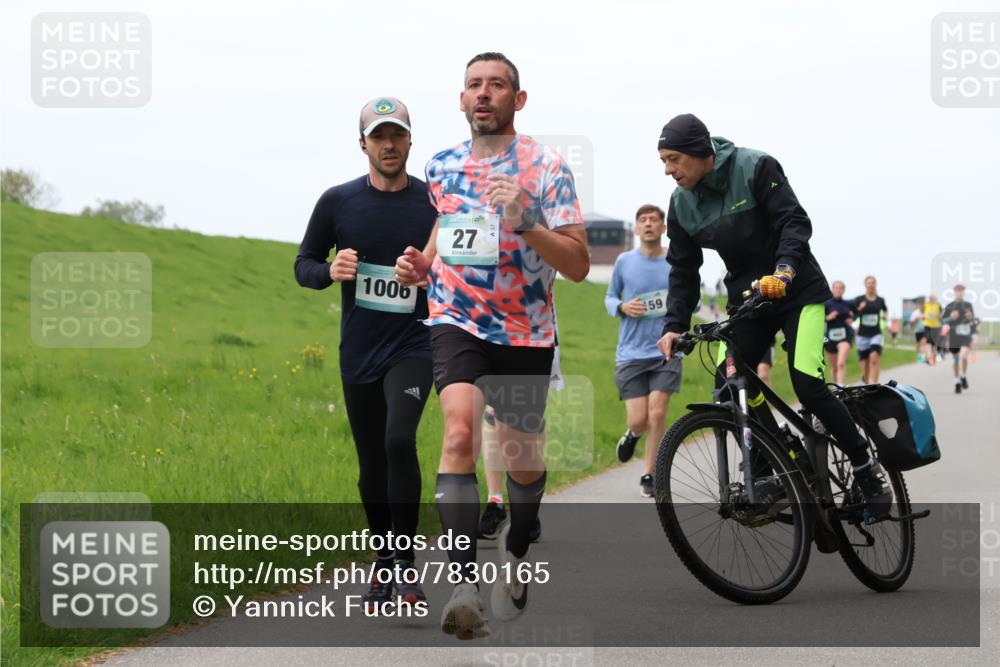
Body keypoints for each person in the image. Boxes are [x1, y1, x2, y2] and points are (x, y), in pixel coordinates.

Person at [394, 52, 589, 640]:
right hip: (455, 319)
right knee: (457, 433)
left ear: (518, 100)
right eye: (474, 85)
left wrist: (525, 219)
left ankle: (519, 545)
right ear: (460, 100)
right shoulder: (441, 165)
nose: (484, 94)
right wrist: (421, 263)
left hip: (525, 331)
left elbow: (578, 264)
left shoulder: (546, 166)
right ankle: (464, 588)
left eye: (497, 85)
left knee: (524, 464)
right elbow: (445, 224)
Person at [653, 113, 891, 518]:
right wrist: (674, 324)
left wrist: (784, 270)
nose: (668, 170)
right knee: (729, 381)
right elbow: (682, 269)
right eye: (663, 160)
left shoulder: (755, 166)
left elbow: (793, 222)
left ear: (701, 152)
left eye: (674, 158)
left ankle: (867, 470)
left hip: (798, 290)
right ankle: (773, 464)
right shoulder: (681, 204)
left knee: (808, 384)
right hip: (750, 300)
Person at [295, 97, 436, 610]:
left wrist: (427, 271)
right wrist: (328, 272)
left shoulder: (432, 203)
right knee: (371, 460)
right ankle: (383, 558)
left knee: (400, 438)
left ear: (409, 140)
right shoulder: (338, 202)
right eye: (379, 136)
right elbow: (303, 263)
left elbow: (459, 268)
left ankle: (406, 566)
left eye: (397, 134)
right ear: (363, 145)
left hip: (415, 343)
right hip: (359, 349)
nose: (389, 144)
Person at [604, 204, 683, 498]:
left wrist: (683, 308)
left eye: (654, 220)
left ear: (663, 228)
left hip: (666, 350)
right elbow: (610, 298)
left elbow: (691, 297)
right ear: (637, 228)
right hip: (631, 353)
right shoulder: (624, 261)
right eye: (643, 220)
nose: (648, 224)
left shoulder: (675, 262)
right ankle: (632, 434)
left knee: (658, 412)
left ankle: (650, 474)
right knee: (639, 419)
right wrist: (622, 307)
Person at [853, 276, 888, 384]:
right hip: (862, 335)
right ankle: (866, 382)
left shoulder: (880, 300)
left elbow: (885, 310)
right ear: (865, 285)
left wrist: (885, 316)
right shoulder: (859, 299)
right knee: (865, 364)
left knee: (874, 359)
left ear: (875, 284)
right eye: (869, 283)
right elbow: (853, 315)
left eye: (873, 283)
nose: (871, 285)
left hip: (876, 334)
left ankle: (874, 385)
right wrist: (859, 308)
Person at [943, 284, 976, 394]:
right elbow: (943, 321)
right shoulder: (950, 306)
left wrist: (970, 317)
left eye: (961, 291)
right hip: (953, 335)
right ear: (954, 292)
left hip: (966, 334)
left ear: (964, 292)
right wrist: (951, 317)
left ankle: (963, 375)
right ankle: (957, 381)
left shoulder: (968, 305)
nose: (960, 293)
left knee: (964, 355)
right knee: (956, 359)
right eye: (957, 291)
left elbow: (973, 320)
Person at [824, 280, 855, 385]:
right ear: (832, 289)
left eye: (841, 288)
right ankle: (835, 388)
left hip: (845, 335)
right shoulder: (826, 304)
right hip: (830, 337)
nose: (838, 290)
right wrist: (828, 317)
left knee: (841, 363)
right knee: (834, 367)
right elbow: (819, 319)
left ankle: (841, 386)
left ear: (844, 290)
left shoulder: (848, 303)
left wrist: (852, 319)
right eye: (836, 288)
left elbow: (857, 313)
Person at [922, 293, 942, 365]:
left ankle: (933, 357)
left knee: (934, 343)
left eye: (933, 298)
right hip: (928, 325)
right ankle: (929, 357)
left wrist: (939, 316)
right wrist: (924, 315)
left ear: (935, 299)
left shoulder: (938, 305)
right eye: (930, 298)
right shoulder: (926, 304)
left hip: (936, 326)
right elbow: (922, 312)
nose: (932, 299)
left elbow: (941, 315)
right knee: (928, 341)